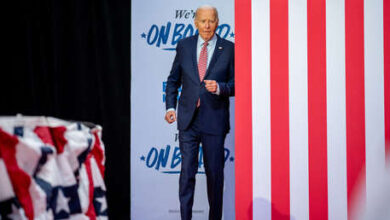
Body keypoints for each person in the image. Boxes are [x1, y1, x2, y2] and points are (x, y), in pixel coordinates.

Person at [164, 5, 234, 220]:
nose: (207, 25)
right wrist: (170, 107)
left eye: (211, 20)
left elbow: (238, 84)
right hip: (188, 120)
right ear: (195, 22)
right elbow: (173, 81)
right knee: (186, 174)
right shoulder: (184, 46)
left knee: (215, 176)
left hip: (214, 121)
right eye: (202, 21)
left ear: (217, 22)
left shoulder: (229, 48)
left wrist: (221, 88)